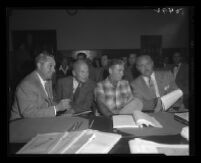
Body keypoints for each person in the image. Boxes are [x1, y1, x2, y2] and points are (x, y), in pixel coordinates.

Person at [10, 52, 70, 120]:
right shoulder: (27, 85)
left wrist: (64, 105)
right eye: (50, 66)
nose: (54, 70)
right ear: (39, 65)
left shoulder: (48, 80)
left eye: (54, 66)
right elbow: (28, 114)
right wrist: (57, 108)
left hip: (39, 121)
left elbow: (48, 103)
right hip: (20, 124)